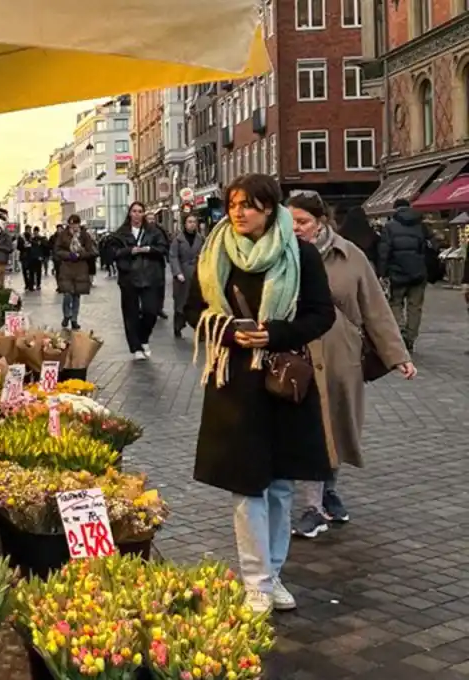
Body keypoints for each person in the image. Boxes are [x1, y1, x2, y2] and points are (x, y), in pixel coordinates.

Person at [184, 173, 335, 614]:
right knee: (247, 486)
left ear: (269, 208)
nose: (238, 212)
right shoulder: (215, 253)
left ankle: (274, 574)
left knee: (281, 485)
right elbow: (194, 309)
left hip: (281, 381)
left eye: (248, 204)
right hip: (233, 383)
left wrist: (274, 333)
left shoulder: (300, 254)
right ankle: (256, 581)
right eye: (233, 203)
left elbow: (320, 314)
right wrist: (229, 331)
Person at [284, 193, 414, 538]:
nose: (295, 229)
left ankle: (327, 491)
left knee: (338, 425)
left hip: (342, 357)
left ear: (320, 221)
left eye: (303, 222)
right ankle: (313, 507)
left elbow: (375, 308)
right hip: (297, 358)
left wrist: (398, 356)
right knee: (312, 429)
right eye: (290, 221)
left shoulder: (350, 255)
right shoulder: (279, 255)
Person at [112, 202, 170, 360]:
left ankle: (143, 338)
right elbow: (113, 252)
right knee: (130, 313)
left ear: (144, 214)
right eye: (134, 211)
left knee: (150, 311)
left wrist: (150, 249)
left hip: (150, 276)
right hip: (129, 277)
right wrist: (130, 250)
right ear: (130, 214)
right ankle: (135, 347)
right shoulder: (121, 233)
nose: (137, 214)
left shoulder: (153, 232)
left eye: (140, 211)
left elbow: (164, 248)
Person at [377, 199, 430, 351]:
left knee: (396, 304)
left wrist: (382, 272)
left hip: (397, 272)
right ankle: (411, 337)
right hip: (418, 272)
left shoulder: (390, 227)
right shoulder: (421, 225)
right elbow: (431, 246)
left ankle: (400, 335)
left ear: (395, 210)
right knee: (415, 307)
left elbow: (384, 252)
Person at [53, 215, 97, 329]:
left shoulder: (84, 235)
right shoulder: (63, 235)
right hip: (66, 268)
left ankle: (74, 319)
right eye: (71, 224)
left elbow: (91, 251)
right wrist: (68, 255)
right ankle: (67, 314)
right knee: (67, 294)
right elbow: (57, 250)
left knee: (77, 295)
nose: (74, 226)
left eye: (76, 223)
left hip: (80, 268)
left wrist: (80, 255)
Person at [169, 214, 204, 338]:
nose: (192, 224)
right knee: (181, 302)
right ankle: (178, 326)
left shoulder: (201, 238)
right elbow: (173, 256)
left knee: (197, 302)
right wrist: (177, 272)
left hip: (197, 274)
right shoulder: (177, 239)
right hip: (182, 275)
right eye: (189, 221)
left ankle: (199, 329)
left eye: (194, 221)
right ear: (185, 224)